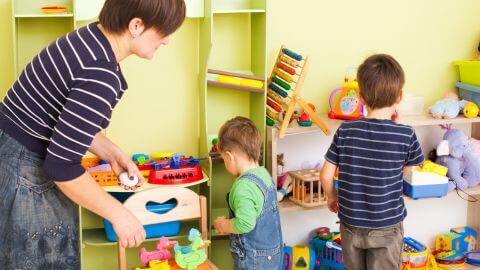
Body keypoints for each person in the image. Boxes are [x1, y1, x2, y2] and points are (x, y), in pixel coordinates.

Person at [0, 0, 185, 268]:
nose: (166, 41)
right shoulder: (100, 73)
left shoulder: (87, 40)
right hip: (25, 175)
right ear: (136, 25)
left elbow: (55, 120)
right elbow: (61, 167)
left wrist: (111, 152)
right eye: (164, 31)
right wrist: (119, 215)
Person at [320, 54, 424, 270]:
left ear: (360, 97)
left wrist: (332, 196)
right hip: (387, 225)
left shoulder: (346, 131)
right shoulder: (406, 134)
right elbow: (406, 170)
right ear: (399, 97)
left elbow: (326, 175)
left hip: (350, 224)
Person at [213, 116, 283, 270]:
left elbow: (245, 223)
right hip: (274, 253)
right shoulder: (264, 174)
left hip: (255, 260)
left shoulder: (243, 187)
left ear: (230, 157)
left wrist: (223, 225)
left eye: (224, 159)